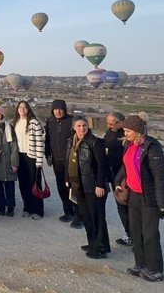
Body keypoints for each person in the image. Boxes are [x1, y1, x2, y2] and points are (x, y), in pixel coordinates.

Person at [115, 115, 164, 283]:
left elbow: (159, 176)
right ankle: (141, 264)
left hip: (149, 196)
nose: (125, 134)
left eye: (128, 131)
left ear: (137, 131)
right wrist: (117, 180)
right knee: (136, 232)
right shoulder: (129, 145)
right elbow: (126, 165)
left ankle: (156, 270)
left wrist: (162, 203)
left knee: (150, 234)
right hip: (134, 195)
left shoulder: (152, 147)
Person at [66, 117, 111, 259]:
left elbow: (102, 165)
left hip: (92, 186)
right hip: (79, 185)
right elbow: (69, 161)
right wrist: (68, 179)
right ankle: (93, 243)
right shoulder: (71, 141)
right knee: (86, 216)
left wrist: (100, 184)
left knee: (96, 217)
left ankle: (99, 248)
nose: (82, 128)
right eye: (78, 126)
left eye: (84, 125)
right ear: (74, 127)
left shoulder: (95, 142)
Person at [45, 99, 80, 227]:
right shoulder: (50, 121)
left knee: (74, 186)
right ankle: (68, 211)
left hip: (71, 161)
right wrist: (47, 153)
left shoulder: (72, 121)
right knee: (61, 186)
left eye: (60, 109)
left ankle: (79, 215)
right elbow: (47, 139)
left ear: (65, 110)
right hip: (57, 160)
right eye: (55, 109)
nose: (58, 112)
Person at [12, 100, 45, 220]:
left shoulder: (34, 123)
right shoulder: (15, 122)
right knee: (23, 184)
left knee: (35, 184)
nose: (22, 109)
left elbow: (40, 143)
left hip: (31, 156)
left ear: (28, 109)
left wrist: (39, 161)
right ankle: (27, 207)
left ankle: (38, 210)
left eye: (25, 107)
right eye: (20, 107)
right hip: (19, 156)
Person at [104, 112, 131, 246]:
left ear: (120, 122)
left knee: (126, 207)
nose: (109, 126)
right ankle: (130, 233)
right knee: (121, 207)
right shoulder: (109, 133)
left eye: (111, 123)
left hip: (125, 177)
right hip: (114, 175)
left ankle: (134, 236)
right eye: (108, 123)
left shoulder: (126, 135)